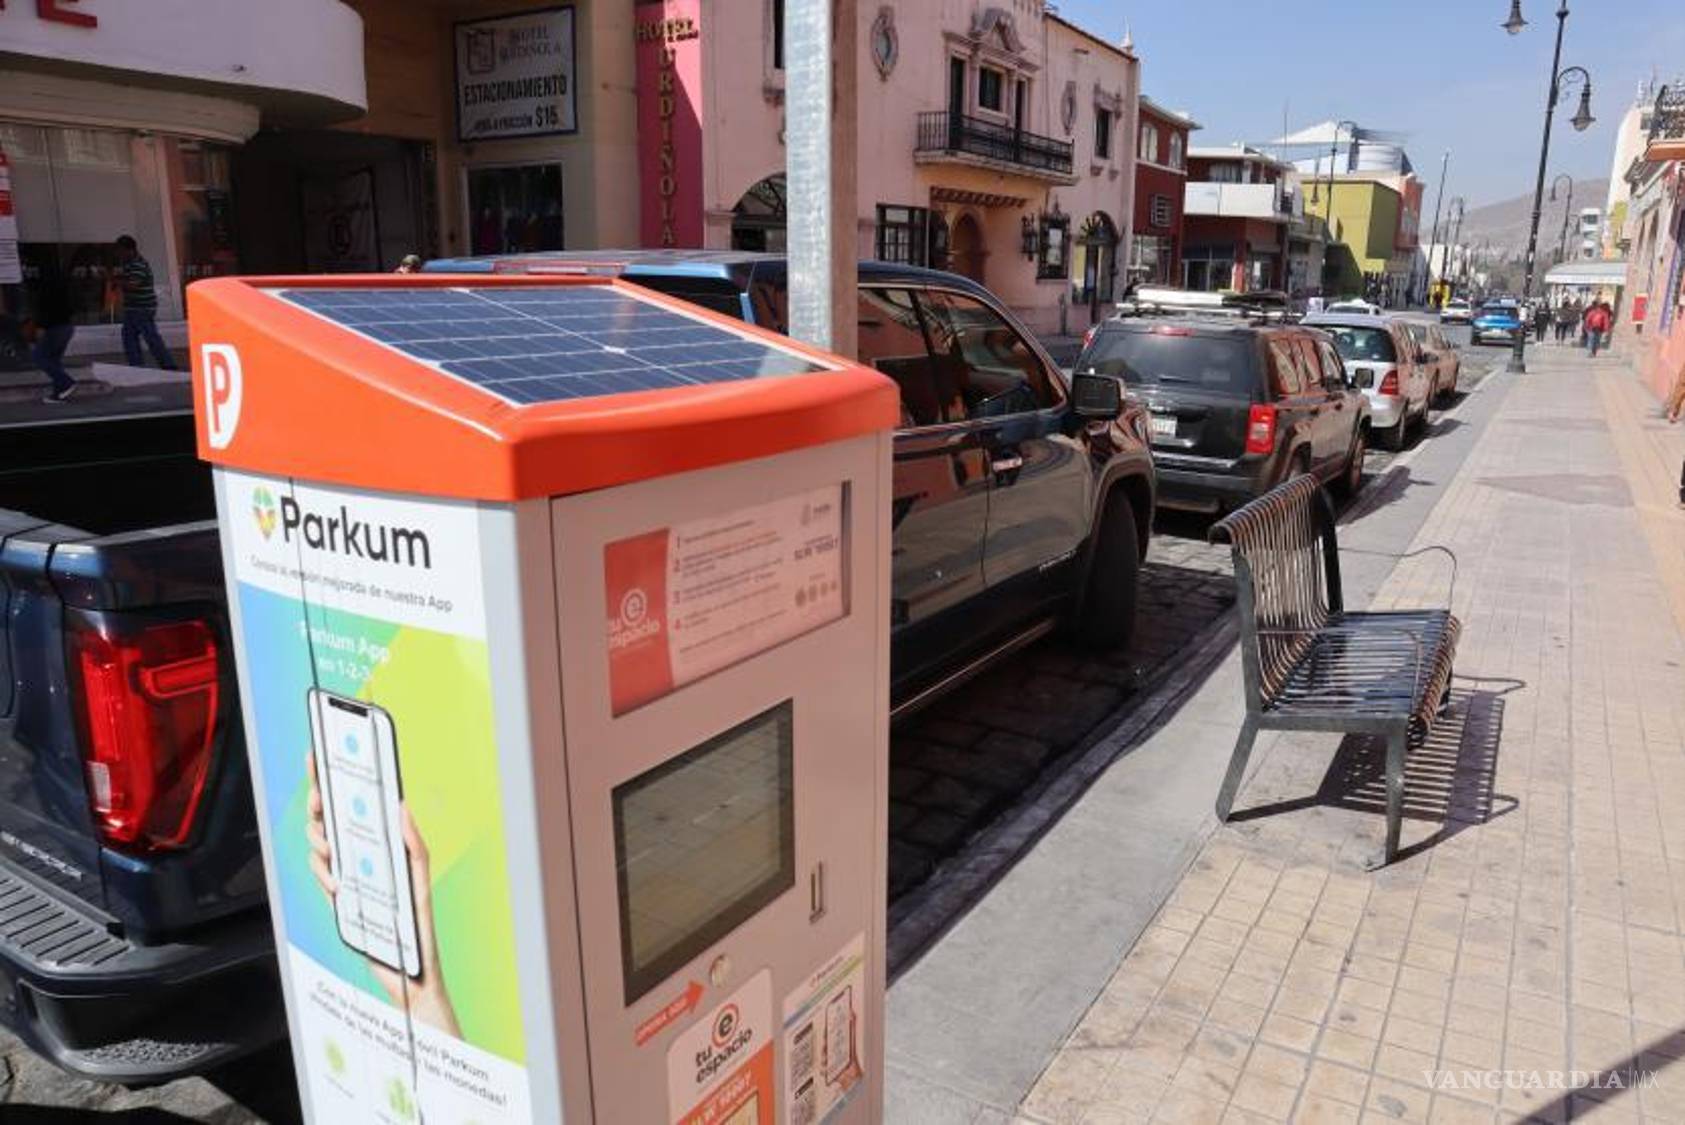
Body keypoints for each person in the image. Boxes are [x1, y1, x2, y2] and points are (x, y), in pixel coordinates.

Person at [114, 235, 176, 370]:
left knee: (150, 337)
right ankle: (137, 366)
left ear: (129, 250)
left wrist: (115, 280)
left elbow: (133, 285)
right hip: (133, 307)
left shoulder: (138, 264)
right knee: (130, 336)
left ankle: (167, 364)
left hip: (142, 307)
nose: (119, 254)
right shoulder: (129, 264)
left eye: (120, 251)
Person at [28, 266, 78, 403]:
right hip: (67, 327)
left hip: (54, 328)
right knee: (55, 361)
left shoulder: (46, 290)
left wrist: (40, 327)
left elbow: (44, 311)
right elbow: (72, 309)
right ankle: (58, 394)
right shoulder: (64, 289)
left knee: (39, 357)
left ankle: (66, 382)